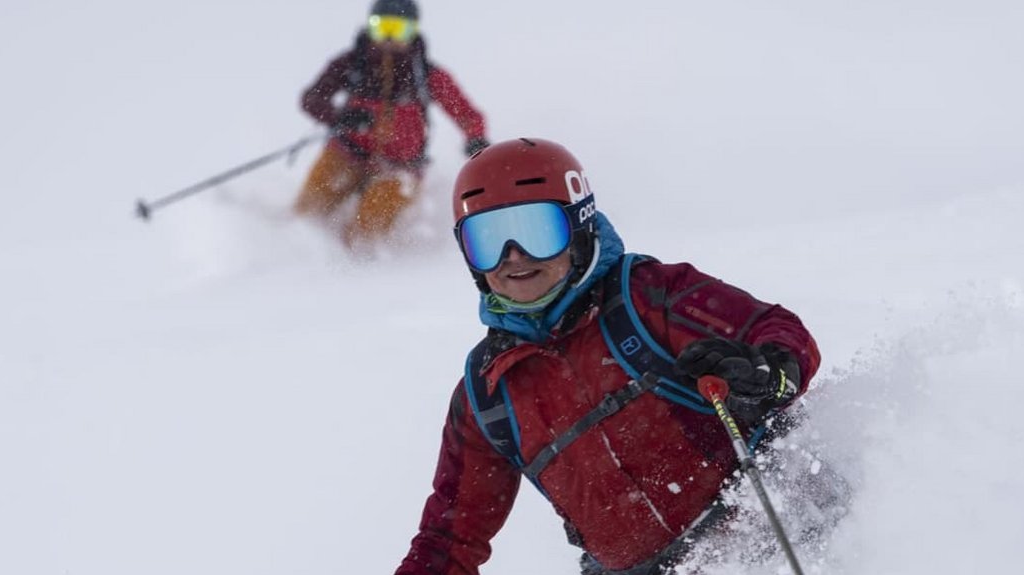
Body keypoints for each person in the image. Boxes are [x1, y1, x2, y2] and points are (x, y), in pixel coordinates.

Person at [393, 138, 824, 575]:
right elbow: (449, 539)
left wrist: (769, 372)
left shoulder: (646, 297)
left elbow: (779, 331)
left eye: (537, 231)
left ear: (578, 225)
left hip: (772, 517)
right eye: (487, 241)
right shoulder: (489, 391)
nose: (513, 256)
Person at [297, 0, 489, 248]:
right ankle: (298, 256)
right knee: (306, 214)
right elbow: (311, 99)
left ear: (413, 31)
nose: (389, 38)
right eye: (381, 27)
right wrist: (341, 117)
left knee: (365, 232)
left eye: (398, 29)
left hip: (401, 168)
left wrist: (475, 136)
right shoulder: (351, 64)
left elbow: (465, 112)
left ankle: (357, 267)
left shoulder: (426, 75)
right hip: (346, 153)